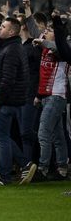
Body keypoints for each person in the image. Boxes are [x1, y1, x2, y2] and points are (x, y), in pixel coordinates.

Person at [0, 17, 37, 185]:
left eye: (3, 27)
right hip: (15, 100)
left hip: (6, 101)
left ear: (11, 32)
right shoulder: (14, 47)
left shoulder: (11, 50)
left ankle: (5, 176)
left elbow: (7, 80)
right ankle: (25, 163)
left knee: (1, 138)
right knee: (4, 137)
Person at [33, 16, 70, 181]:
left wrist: (43, 42)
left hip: (57, 95)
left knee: (43, 133)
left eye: (49, 31)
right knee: (57, 134)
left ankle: (43, 169)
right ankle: (62, 167)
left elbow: (59, 48)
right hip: (47, 96)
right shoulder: (46, 48)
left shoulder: (61, 49)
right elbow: (32, 29)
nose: (44, 32)